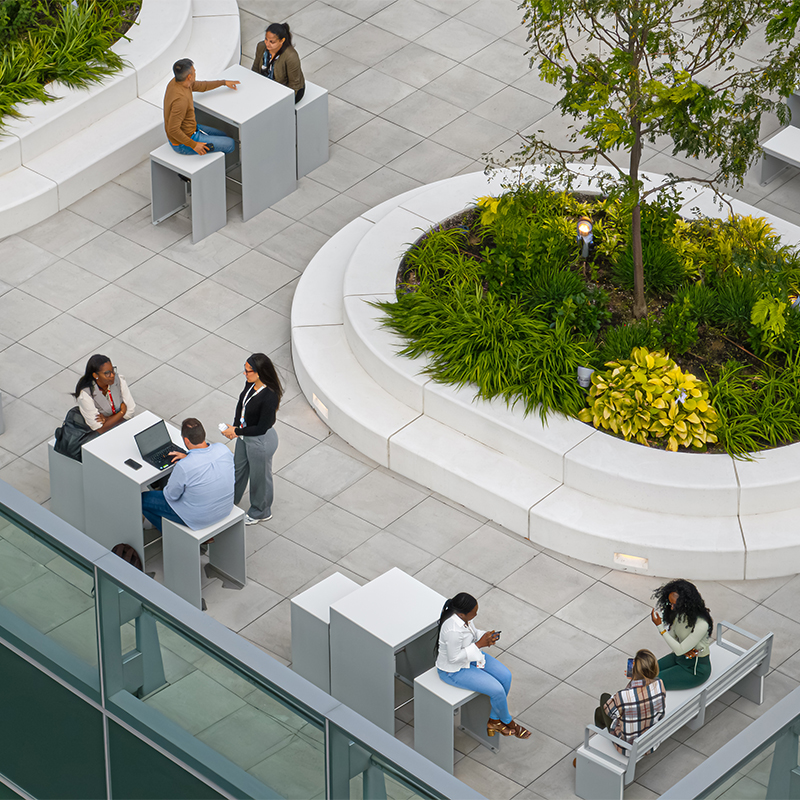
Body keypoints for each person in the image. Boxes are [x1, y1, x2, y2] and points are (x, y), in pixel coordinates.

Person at [435, 593, 531, 739]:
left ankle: (494, 721)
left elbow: (472, 634)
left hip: (470, 656)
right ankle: (507, 721)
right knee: (497, 690)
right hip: (454, 671)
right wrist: (479, 645)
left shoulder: (464, 619)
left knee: (506, 676)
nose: (476, 614)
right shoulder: (453, 630)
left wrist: (485, 636)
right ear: (462, 614)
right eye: (474, 612)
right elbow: (453, 659)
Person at [141, 418, 234, 532]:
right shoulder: (223, 449)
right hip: (225, 508)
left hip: (198, 519)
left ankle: (171, 534)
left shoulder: (184, 466)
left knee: (142, 499)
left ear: (186, 440)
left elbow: (171, 496)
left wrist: (186, 463)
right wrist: (188, 459)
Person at [221, 354, 282, 525]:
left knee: (259, 478)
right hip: (245, 435)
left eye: (248, 371)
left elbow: (262, 427)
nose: (244, 374)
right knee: (238, 469)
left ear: (259, 372)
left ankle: (261, 511)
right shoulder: (251, 384)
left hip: (260, 441)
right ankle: (229, 501)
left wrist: (237, 431)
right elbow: (241, 404)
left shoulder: (270, 396)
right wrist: (234, 429)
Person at [594, 650, 666, 753]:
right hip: (651, 741)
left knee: (603, 700)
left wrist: (633, 680)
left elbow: (609, 712)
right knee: (600, 712)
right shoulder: (659, 685)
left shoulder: (623, 696)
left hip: (627, 747)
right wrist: (636, 679)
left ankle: (599, 741)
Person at [164, 58, 240, 156]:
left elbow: (201, 86)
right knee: (230, 144)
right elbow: (173, 130)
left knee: (225, 134)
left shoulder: (178, 82)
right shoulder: (180, 100)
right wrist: (194, 145)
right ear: (189, 77)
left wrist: (224, 82)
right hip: (184, 143)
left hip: (193, 129)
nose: (195, 71)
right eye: (194, 70)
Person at [651, 578, 713, 690]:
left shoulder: (701, 624)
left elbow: (679, 650)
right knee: (646, 671)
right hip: (681, 658)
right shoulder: (679, 615)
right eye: (669, 603)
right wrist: (684, 648)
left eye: (674, 604)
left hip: (695, 669)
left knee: (650, 682)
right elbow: (675, 641)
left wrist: (660, 628)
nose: (671, 607)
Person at [74, 354, 135, 433]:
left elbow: (130, 412)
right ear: (96, 375)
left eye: (113, 370)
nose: (112, 375)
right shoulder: (85, 394)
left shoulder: (118, 379)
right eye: (107, 373)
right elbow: (99, 428)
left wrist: (107, 419)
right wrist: (122, 412)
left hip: (123, 427)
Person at [251, 23, 305, 102]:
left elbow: (294, 85)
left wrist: (283, 102)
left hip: (285, 89)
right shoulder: (261, 46)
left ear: (281, 41)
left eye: (272, 42)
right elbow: (255, 69)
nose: (267, 44)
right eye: (266, 39)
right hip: (267, 85)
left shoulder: (291, 56)